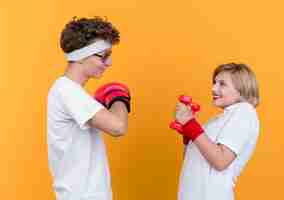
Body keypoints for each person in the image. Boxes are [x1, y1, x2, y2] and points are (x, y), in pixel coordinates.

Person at [47, 16, 130, 200]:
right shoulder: (67, 91)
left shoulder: (70, 92)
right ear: (81, 56)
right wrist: (119, 97)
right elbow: (118, 127)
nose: (109, 63)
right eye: (104, 56)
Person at [174, 63, 260, 200]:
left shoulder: (244, 112)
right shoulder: (215, 120)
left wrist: (191, 124)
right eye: (214, 83)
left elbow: (220, 161)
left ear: (241, 89)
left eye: (222, 84)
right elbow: (193, 162)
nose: (213, 88)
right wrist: (188, 134)